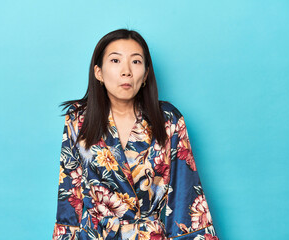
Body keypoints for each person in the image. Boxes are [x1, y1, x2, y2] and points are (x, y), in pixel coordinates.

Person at [52, 29, 219, 240]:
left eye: (136, 62)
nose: (126, 71)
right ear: (98, 72)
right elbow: (70, 196)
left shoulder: (168, 119)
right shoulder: (78, 119)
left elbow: (185, 195)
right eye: (115, 60)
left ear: (146, 74)